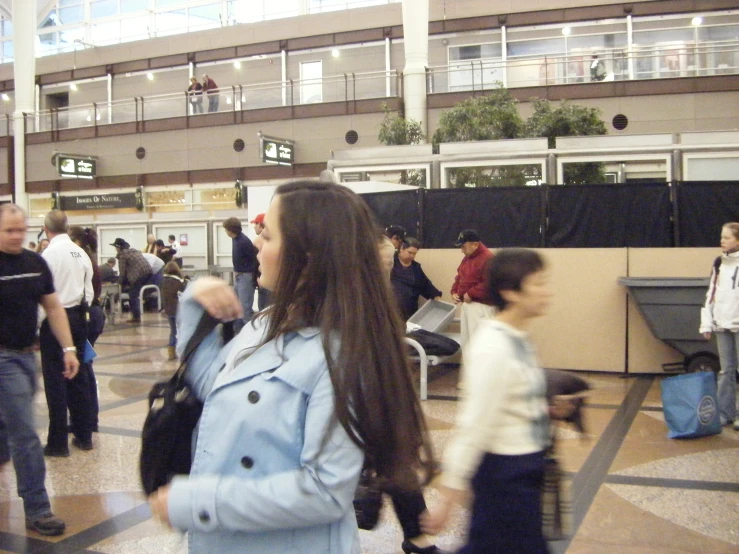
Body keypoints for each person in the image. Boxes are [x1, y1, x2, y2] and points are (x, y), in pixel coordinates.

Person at [148, 180, 434, 554]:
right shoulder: (265, 322)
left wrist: (201, 502)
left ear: (308, 255)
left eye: (266, 235)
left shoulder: (341, 355)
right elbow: (210, 384)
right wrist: (195, 299)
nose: (256, 245)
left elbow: (326, 490)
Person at [423, 248, 556, 554]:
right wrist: (447, 499)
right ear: (510, 292)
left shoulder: (518, 338)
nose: (546, 292)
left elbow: (513, 399)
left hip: (525, 469)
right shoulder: (492, 346)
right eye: (538, 284)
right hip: (505, 476)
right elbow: (473, 425)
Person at [0, 204, 78, 536]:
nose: (17, 236)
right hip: (3, 360)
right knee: (26, 434)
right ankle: (38, 507)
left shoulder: (35, 263)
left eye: (21, 230)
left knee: (10, 430)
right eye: (9, 231)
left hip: (23, 356)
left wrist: (69, 348)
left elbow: (52, 306)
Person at [379, 235, 450, 554]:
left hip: (381, 405)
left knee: (398, 467)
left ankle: (417, 537)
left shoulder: (409, 274)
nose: (384, 272)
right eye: (380, 265)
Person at [38, 212, 95, 457]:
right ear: (67, 227)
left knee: (55, 380)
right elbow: (89, 291)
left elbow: (43, 294)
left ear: (45, 228)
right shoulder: (80, 252)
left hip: (55, 319)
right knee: (79, 376)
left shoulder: (48, 255)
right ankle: (84, 436)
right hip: (78, 317)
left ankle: (57, 442)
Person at [700, 222, 739, 430]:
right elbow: (711, 294)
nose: (722, 241)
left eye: (727, 237)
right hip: (722, 324)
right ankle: (726, 413)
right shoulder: (719, 263)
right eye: (722, 237)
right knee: (726, 371)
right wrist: (707, 323)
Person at [68, 226, 105, 433]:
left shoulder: (79, 256)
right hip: (95, 315)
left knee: (83, 368)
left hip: (87, 316)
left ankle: (86, 420)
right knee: (86, 365)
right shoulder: (88, 255)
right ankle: (91, 419)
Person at [451, 229, 495, 350]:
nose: (462, 250)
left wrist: (471, 293)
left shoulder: (488, 258)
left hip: (481, 307)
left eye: (463, 246)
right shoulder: (467, 258)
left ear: (475, 244)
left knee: (479, 345)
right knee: (468, 344)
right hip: (468, 306)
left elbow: (491, 282)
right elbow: (460, 276)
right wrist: (455, 291)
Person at [392, 237, 442, 321]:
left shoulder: (416, 268)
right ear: (401, 249)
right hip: (392, 308)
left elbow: (425, 285)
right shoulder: (391, 263)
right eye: (410, 252)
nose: (412, 256)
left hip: (410, 311)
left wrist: (435, 295)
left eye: (414, 253)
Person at [222, 217, 258, 331]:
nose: (225, 232)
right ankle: (238, 332)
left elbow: (254, 258)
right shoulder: (236, 239)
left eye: (226, 229)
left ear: (230, 229)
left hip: (246, 276)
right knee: (236, 306)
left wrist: (254, 276)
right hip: (239, 275)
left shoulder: (243, 241)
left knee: (245, 308)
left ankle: (251, 334)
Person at [112, 238, 152, 324]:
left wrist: (118, 284)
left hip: (139, 275)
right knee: (136, 292)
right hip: (149, 272)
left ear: (118, 248)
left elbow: (122, 273)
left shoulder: (123, 256)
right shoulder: (134, 252)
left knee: (133, 294)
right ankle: (137, 313)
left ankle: (136, 317)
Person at [161, 261, 187, 361]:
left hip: (169, 310)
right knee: (182, 331)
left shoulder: (163, 281)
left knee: (173, 331)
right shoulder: (178, 282)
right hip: (179, 310)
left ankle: (171, 352)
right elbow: (185, 290)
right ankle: (183, 351)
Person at [251, 213, 271, 311]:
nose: (254, 227)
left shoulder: (260, 240)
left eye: (255, 224)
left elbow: (256, 263)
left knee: (264, 310)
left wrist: (259, 277)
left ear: (260, 224)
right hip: (265, 280)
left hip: (264, 282)